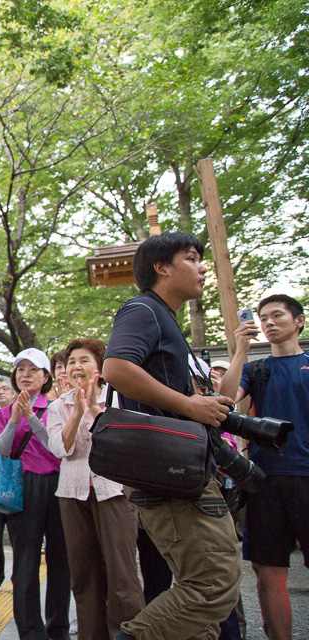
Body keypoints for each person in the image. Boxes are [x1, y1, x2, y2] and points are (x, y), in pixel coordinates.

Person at [102, 231, 242, 640]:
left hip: (179, 468)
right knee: (212, 585)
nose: (202, 267)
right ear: (162, 267)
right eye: (192, 257)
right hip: (171, 472)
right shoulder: (143, 310)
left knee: (199, 592)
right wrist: (188, 406)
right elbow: (115, 369)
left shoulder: (166, 319)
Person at [219, 293, 308, 640]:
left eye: (277, 316)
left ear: (298, 321)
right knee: (269, 572)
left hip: (306, 476)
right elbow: (224, 402)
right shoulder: (257, 370)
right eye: (263, 317)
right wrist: (241, 349)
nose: (269, 322)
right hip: (264, 480)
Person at [45, 338, 143, 640]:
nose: (77, 366)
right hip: (72, 494)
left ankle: (127, 634)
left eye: (84, 360)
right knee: (84, 576)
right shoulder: (58, 406)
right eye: (72, 361)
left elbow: (122, 446)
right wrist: (75, 412)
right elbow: (61, 448)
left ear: (100, 367)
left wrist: (93, 409)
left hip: (113, 492)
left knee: (122, 575)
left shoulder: (118, 400)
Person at [0, 349, 71, 640]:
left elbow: (55, 447)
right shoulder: (2, 413)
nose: (25, 374)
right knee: (25, 560)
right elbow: (0, 452)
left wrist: (31, 417)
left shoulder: (56, 408)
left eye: (33, 369)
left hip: (57, 484)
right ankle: (30, 630)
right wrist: (14, 420)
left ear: (46, 376)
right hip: (21, 484)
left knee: (61, 560)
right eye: (20, 369)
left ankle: (58, 627)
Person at [0, 376, 15, 591]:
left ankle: (18, 575)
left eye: (5, 388)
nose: (0, 392)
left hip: (22, 481)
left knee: (19, 534)